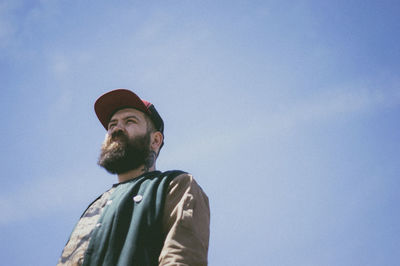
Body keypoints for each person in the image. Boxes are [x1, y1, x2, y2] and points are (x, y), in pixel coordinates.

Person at [58, 89, 210, 266]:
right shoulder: (94, 207)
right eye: (112, 124)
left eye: (129, 121)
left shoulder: (175, 185)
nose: (116, 129)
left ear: (155, 141)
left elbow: (181, 259)